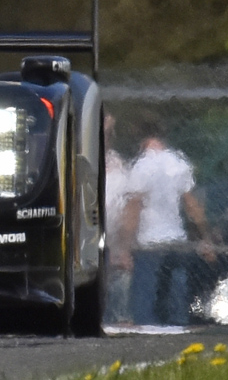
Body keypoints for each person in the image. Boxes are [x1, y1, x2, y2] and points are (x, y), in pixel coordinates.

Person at [121, 118, 215, 327]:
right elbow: (192, 205)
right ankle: (177, 327)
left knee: (145, 295)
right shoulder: (178, 162)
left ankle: (148, 330)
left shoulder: (141, 167)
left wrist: (125, 247)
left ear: (140, 140)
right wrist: (205, 236)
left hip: (149, 242)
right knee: (176, 290)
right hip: (176, 239)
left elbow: (133, 209)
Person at [104, 112, 132, 325]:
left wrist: (122, 247)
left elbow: (128, 206)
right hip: (87, 241)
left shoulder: (118, 163)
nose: (109, 136)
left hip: (115, 240)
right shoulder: (76, 161)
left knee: (120, 284)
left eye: (110, 133)